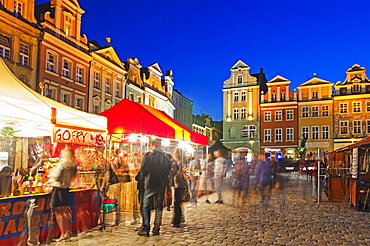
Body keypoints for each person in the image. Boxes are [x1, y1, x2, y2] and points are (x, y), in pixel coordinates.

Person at [138, 146, 171, 237]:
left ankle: (146, 228)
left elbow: (143, 169)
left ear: (153, 146)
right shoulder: (165, 157)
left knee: (146, 206)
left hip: (150, 183)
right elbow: (168, 169)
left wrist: (143, 177)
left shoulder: (148, 156)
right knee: (158, 207)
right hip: (161, 184)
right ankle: (156, 228)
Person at [49, 147, 77, 242]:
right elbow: (74, 176)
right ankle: (68, 231)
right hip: (66, 188)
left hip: (58, 188)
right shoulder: (73, 164)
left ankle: (63, 233)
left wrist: (51, 172)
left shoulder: (62, 164)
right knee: (64, 210)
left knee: (58, 211)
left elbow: (56, 177)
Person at [171, 149, 186, 227]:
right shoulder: (179, 162)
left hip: (178, 184)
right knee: (178, 202)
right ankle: (178, 219)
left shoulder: (179, 163)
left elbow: (179, 174)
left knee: (177, 202)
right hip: (178, 183)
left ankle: (177, 220)